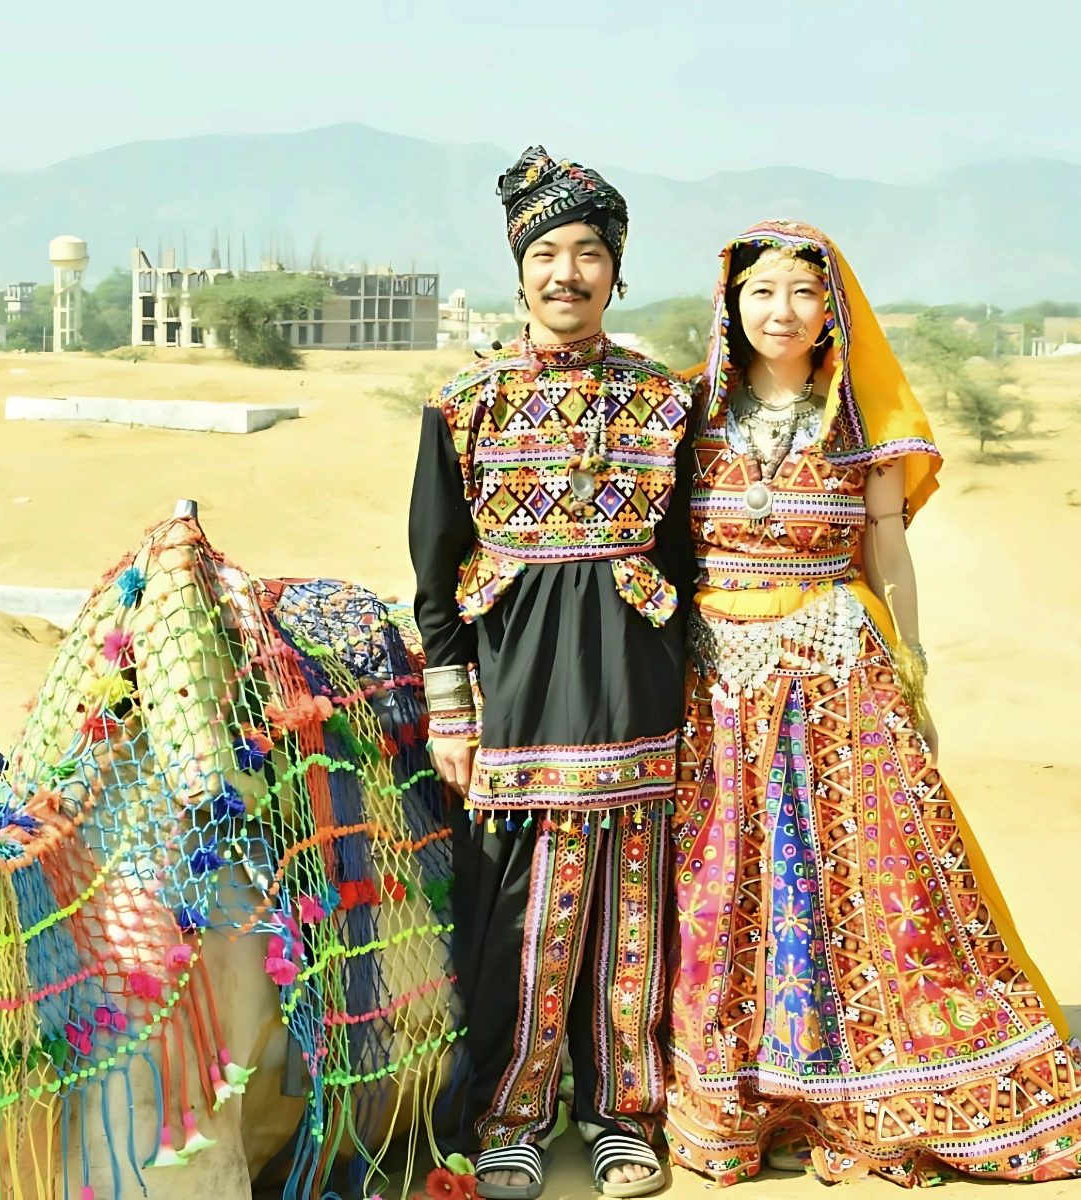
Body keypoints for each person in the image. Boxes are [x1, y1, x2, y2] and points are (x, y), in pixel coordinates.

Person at [663, 221, 1081, 1187]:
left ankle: (885, 1070)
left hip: (836, 671)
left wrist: (912, 662)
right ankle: (742, 1079)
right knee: (727, 880)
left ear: (831, 308)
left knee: (872, 872)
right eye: (761, 293)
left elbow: (887, 547)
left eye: (802, 294)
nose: (780, 312)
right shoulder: (689, 416)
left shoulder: (861, 424)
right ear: (732, 306)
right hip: (716, 678)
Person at [410, 146, 697, 1199]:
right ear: (518, 269)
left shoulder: (669, 403)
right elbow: (434, 573)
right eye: (546, 253)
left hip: (639, 695)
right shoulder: (464, 403)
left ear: (616, 274)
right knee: (523, 911)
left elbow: (688, 563)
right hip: (519, 702)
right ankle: (513, 1117)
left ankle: (624, 1117)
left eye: (588, 254)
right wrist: (451, 709)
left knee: (634, 911)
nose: (565, 273)